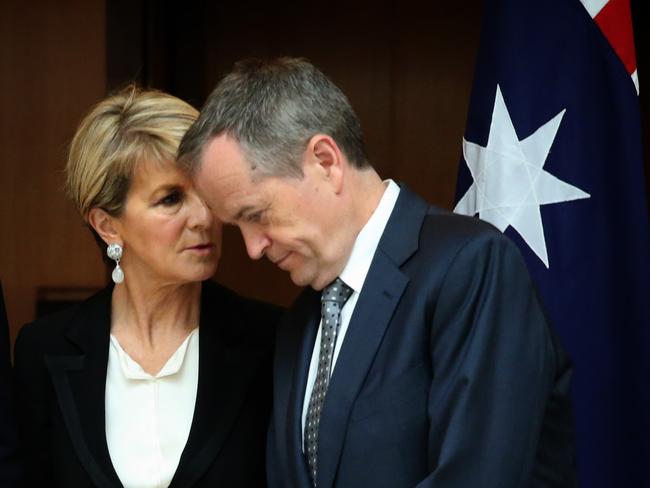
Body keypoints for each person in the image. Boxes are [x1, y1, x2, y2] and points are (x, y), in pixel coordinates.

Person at [178, 58, 577, 487]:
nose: (253, 247)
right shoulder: (300, 323)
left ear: (326, 161)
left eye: (255, 215)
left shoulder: (469, 268)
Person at [13, 86, 283, 488]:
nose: (204, 218)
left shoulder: (273, 339)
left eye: (206, 194)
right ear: (107, 225)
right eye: (171, 199)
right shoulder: (44, 349)